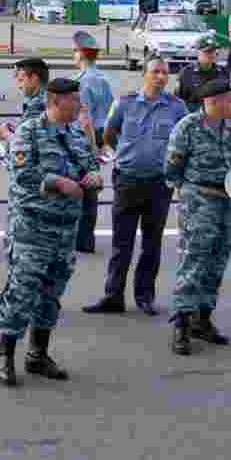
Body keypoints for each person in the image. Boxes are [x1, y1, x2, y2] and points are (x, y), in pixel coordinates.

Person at [0, 78, 103, 386]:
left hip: (65, 231)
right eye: (74, 100)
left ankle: (37, 354)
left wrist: (93, 175)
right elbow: (22, 176)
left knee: (51, 295)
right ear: (56, 102)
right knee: (22, 292)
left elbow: (88, 164)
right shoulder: (29, 132)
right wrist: (57, 183)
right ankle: (6, 355)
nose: (80, 106)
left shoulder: (76, 133)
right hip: (32, 229)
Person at [83, 58, 187, 317]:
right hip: (128, 180)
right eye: (155, 72)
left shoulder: (176, 107)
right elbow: (108, 134)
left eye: (164, 73)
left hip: (159, 184)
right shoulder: (125, 103)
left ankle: (145, 296)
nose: (161, 77)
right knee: (121, 243)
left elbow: (187, 138)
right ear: (144, 75)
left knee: (152, 244)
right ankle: (113, 296)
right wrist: (123, 154)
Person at [164, 79, 231, 356]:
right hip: (198, 201)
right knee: (194, 259)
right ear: (214, 102)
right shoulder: (188, 126)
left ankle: (203, 319)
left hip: (225, 201)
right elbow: (172, 169)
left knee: (219, 257)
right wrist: (187, 194)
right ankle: (182, 324)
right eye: (230, 99)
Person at [0, 57, 50, 321]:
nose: (18, 84)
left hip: (29, 190)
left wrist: (6, 136)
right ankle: (25, 299)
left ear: (34, 78)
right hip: (39, 188)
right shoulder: (42, 103)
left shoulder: (38, 105)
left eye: (21, 78)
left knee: (20, 249)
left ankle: (12, 302)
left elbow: (27, 150)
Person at [73, 31, 113, 254]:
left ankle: (82, 238)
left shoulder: (84, 82)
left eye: (75, 51)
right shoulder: (102, 78)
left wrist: (92, 146)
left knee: (82, 187)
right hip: (100, 132)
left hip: (85, 137)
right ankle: (86, 238)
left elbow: (84, 118)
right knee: (91, 186)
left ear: (80, 54)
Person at [176, 34, 229, 114]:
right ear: (198, 52)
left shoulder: (223, 72)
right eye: (207, 51)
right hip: (193, 118)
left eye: (213, 51)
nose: (211, 54)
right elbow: (178, 101)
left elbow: (228, 100)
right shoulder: (186, 73)